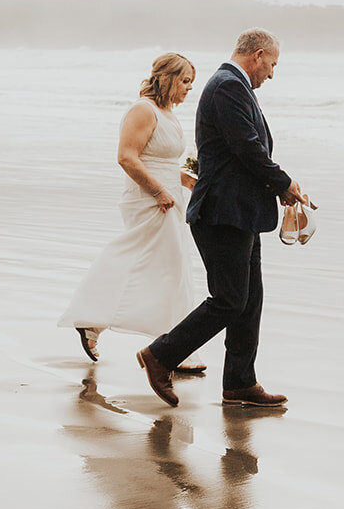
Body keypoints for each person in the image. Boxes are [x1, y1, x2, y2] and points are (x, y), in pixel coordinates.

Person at [136, 28, 307, 408]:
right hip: (222, 213)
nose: (272, 74)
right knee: (229, 300)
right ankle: (159, 356)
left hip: (241, 212)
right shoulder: (228, 85)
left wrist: (278, 188)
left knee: (250, 299)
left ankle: (240, 383)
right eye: (273, 64)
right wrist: (284, 182)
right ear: (258, 55)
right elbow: (246, 146)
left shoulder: (232, 85)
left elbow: (243, 150)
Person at [59, 53, 206, 373]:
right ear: (166, 79)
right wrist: (158, 191)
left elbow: (163, 160)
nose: (189, 88)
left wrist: (187, 181)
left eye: (191, 83)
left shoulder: (169, 113)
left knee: (173, 267)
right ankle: (94, 319)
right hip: (149, 198)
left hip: (169, 196)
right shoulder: (143, 110)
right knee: (144, 260)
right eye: (184, 81)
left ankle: (172, 346)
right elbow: (127, 157)